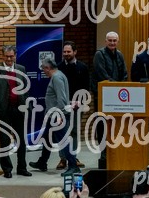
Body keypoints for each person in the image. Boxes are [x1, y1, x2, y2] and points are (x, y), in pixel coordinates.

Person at [30, 58, 81, 176]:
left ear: (48, 68)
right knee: (47, 138)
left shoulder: (57, 77)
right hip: (52, 115)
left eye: (43, 69)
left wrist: (59, 114)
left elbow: (61, 98)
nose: (43, 71)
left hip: (57, 116)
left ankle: (73, 166)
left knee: (63, 141)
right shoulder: (59, 75)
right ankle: (42, 162)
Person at [0, 45, 30, 178]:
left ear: (15, 56)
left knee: (21, 141)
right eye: (6, 56)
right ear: (2, 56)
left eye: (11, 56)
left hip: (19, 110)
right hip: (4, 112)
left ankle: (22, 168)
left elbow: (26, 89)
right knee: (5, 141)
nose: (9, 59)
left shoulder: (21, 69)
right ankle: (7, 169)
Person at [91, 31, 127, 165]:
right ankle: (104, 153)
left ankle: (116, 152)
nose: (112, 43)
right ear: (106, 41)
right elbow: (102, 74)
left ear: (118, 41)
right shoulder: (99, 55)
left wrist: (121, 86)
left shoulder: (120, 55)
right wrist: (116, 86)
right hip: (103, 96)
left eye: (114, 40)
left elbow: (124, 73)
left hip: (117, 97)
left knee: (116, 124)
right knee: (102, 125)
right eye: (110, 40)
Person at [57, 41, 89, 170]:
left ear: (75, 52)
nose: (66, 54)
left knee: (74, 132)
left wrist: (80, 101)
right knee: (62, 132)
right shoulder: (58, 67)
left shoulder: (83, 67)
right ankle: (63, 159)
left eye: (68, 51)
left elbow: (86, 87)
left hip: (77, 106)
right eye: (64, 52)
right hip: (63, 106)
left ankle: (73, 157)